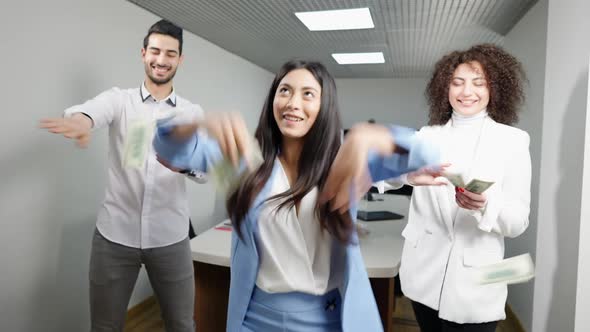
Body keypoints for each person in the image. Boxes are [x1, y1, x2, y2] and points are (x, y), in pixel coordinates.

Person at [153, 59, 439, 331]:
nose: (293, 103)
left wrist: (372, 134)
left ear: (324, 105)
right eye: (285, 91)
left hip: (329, 320)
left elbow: (429, 153)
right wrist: (198, 125)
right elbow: (165, 147)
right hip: (254, 319)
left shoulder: (345, 161)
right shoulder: (245, 159)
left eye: (308, 94)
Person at [39, 20, 199, 332]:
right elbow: (89, 111)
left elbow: (204, 170)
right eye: (155, 51)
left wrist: (184, 164)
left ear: (180, 60)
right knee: (104, 327)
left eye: (170, 53)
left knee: (182, 325)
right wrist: (81, 122)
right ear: (143, 53)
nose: (161, 60)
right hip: (114, 236)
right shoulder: (119, 100)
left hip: (170, 237)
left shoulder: (191, 113)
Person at [389, 44, 531, 331]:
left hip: (477, 285)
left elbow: (517, 223)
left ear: (495, 88)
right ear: (445, 88)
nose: (467, 92)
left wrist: (486, 206)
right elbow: (376, 175)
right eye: (458, 83)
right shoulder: (425, 137)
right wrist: (407, 177)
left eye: (479, 83)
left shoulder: (513, 141)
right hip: (423, 276)